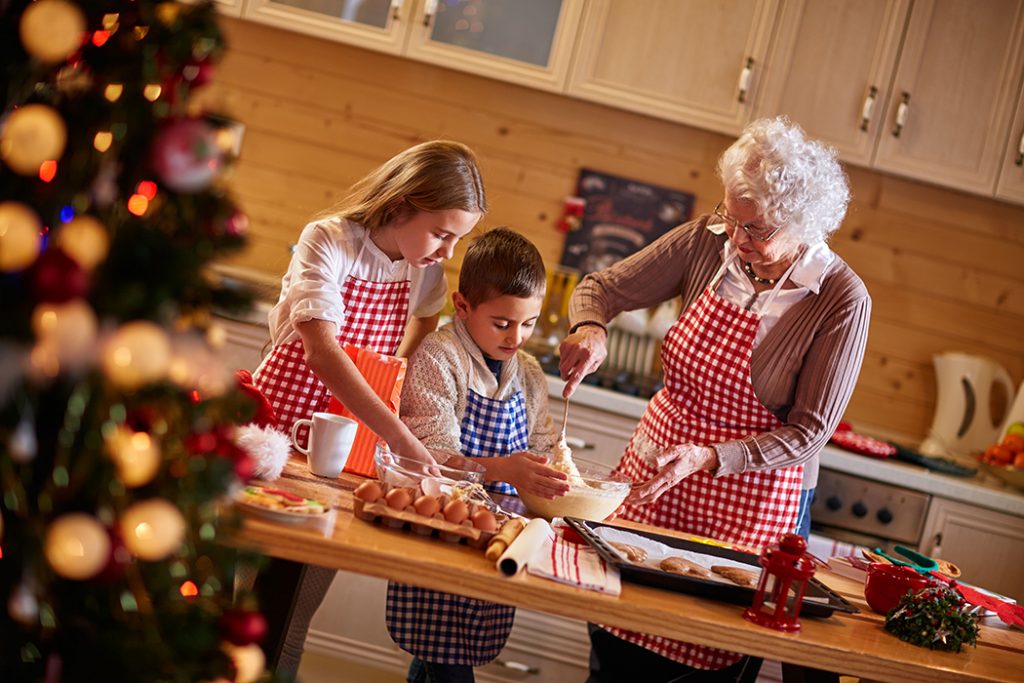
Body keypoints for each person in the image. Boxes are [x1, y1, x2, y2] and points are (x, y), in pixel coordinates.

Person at [558, 117, 870, 681]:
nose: (736, 237)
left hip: (747, 503)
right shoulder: (709, 240)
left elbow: (808, 434)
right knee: (614, 649)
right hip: (653, 480)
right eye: (731, 216)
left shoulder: (840, 298)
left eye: (756, 229)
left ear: (805, 224)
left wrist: (708, 456)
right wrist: (591, 329)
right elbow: (601, 288)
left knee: (707, 655)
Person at [251, 140, 487, 675]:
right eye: (442, 233)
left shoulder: (420, 264)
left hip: (349, 445)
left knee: (294, 612)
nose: (447, 252)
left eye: (458, 238)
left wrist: (391, 375)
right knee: (251, 604)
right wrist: (400, 434)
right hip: (279, 440)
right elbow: (321, 350)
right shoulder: (329, 240)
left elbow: (425, 319)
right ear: (401, 203)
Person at [386, 228, 569, 683]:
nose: (517, 338)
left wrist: (557, 477)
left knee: (447, 657)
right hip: (443, 533)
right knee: (446, 661)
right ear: (462, 306)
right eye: (503, 323)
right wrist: (502, 469)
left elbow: (545, 447)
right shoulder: (440, 356)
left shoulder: (527, 373)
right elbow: (426, 454)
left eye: (528, 323)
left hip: (498, 540)